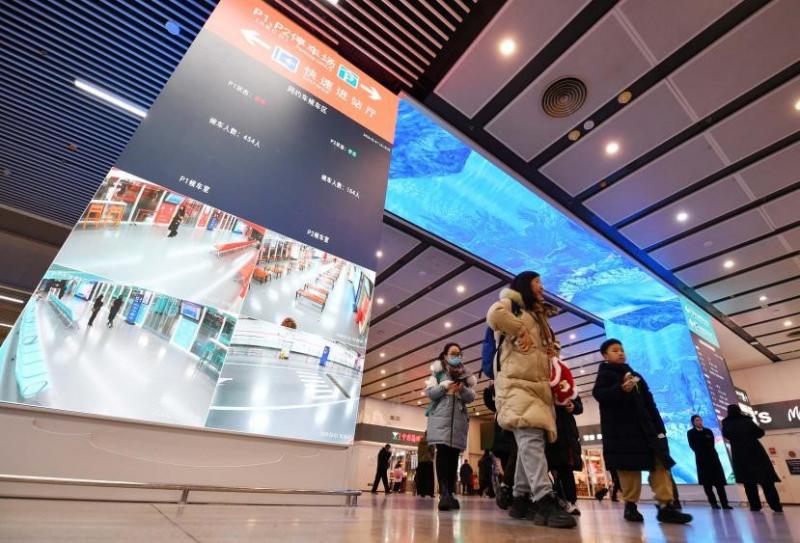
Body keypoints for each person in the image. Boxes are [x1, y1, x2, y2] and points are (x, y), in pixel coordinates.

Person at [486, 270, 577, 529]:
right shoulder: (511, 304)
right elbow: (494, 315)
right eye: (537, 282)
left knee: (529, 441)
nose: (542, 287)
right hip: (516, 383)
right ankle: (544, 498)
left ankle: (521, 499)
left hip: (536, 386)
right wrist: (519, 330)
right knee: (530, 439)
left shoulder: (537, 316)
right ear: (525, 285)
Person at [592, 339, 692, 525]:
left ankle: (666, 506)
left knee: (660, 464)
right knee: (629, 469)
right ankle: (630, 506)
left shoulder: (636, 375)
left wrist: (659, 429)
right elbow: (600, 394)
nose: (620, 353)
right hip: (622, 433)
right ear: (605, 355)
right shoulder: (605, 375)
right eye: (615, 350)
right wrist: (620, 389)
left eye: (622, 350)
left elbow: (650, 403)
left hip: (647, 431)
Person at [425, 342, 476, 511]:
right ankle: (444, 493)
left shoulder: (464, 375)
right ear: (445, 355)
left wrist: (461, 390)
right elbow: (430, 394)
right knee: (443, 455)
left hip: (458, 421)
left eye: (459, 354)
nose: (456, 356)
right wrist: (444, 386)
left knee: (454, 458)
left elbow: (471, 397)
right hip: (441, 419)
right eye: (453, 353)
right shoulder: (438, 373)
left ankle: (450, 493)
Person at [722, 404, 782, 512]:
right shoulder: (746, 420)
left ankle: (755, 506)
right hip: (756, 453)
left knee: (748, 483)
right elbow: (760, 433)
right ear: (739, 410)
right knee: (767, 482)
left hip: (740, 455)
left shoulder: (726, 423)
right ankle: (776, 506)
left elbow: (726, 435)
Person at [687, 415, 731, 510]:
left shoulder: (708, 431)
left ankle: (725, 504)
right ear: (693, 422)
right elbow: (693, 446)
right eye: (697, 420)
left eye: (700, 420)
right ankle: (713, 504)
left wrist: (703, 445)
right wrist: (701, 448)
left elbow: (711, 444)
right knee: (707, 485)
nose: (699, 422)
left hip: (713, 459)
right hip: (702, 461)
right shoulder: (691, 433)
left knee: (719, 484)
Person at [483, 385, 517, 510]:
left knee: (510, 468)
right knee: (507, 467)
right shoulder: (499, 406)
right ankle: (509, 493)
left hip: (508, 443)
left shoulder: (507, 405)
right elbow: (489, 402)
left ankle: (510, 492)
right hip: (502, 444)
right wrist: (487, 390)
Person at [415, 432, 436, 498]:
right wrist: (432, 457)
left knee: (422, 477)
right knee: (429, 478)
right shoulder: (431, 441)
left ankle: (422, 492)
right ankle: (430, 493)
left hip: (421, 461)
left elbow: (419, 451)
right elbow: (432, 450)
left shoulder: (421, 441)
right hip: (428, 460)